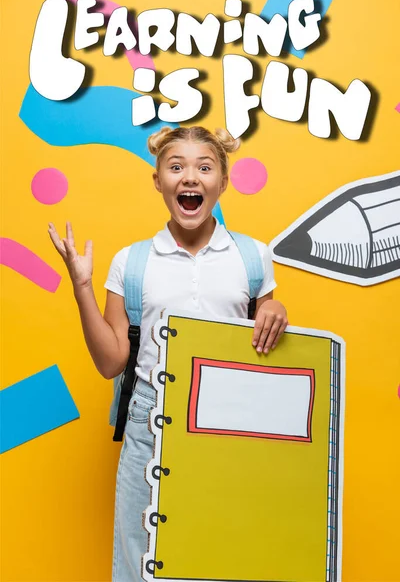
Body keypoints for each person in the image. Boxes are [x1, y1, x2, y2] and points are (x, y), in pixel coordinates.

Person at [48, 125, 288, 582]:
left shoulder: (253, 257)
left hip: (229, 425)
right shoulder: (133, 262)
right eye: (176, 168)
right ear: (158, 181)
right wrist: (81, 287)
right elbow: (110, 362)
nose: (190, 177)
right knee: (141, 562)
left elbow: (266, 338)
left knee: (226, 554)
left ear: (223, 180)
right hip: (149, 426)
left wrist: (275, 306)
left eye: (204, 167)